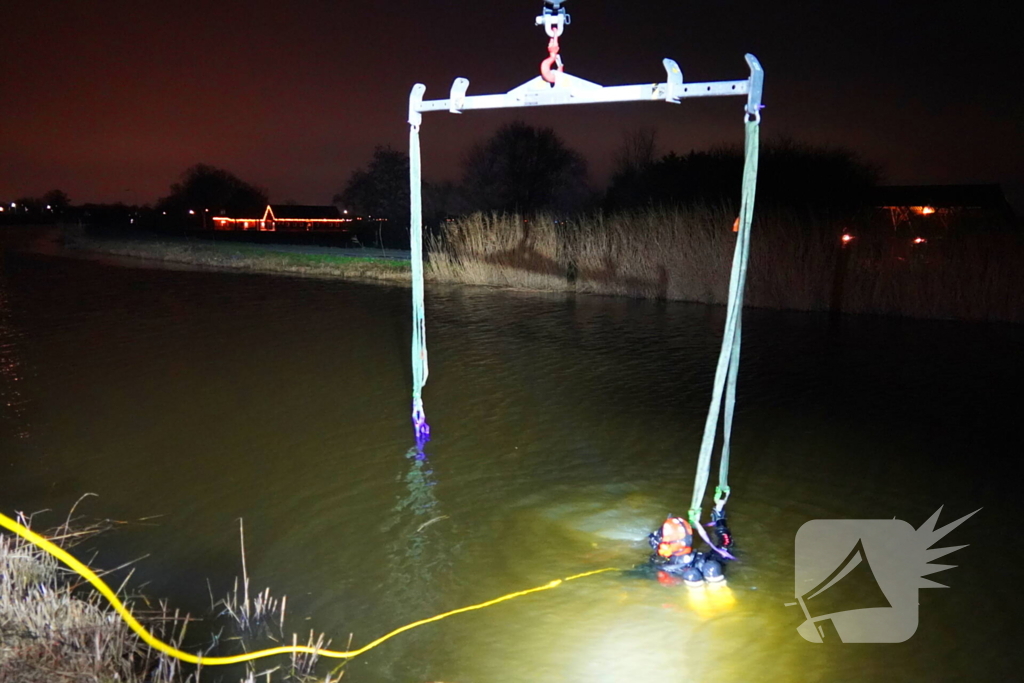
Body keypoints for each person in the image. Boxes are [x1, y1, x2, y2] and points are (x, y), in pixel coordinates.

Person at [648, 515, 727, 588]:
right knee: (712, 567)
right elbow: (725, 544)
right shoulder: (703, 559)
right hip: (707, 569)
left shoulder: (664, 569)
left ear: (665, 547)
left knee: (691, 575)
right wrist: (720, 522)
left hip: (685, 580)